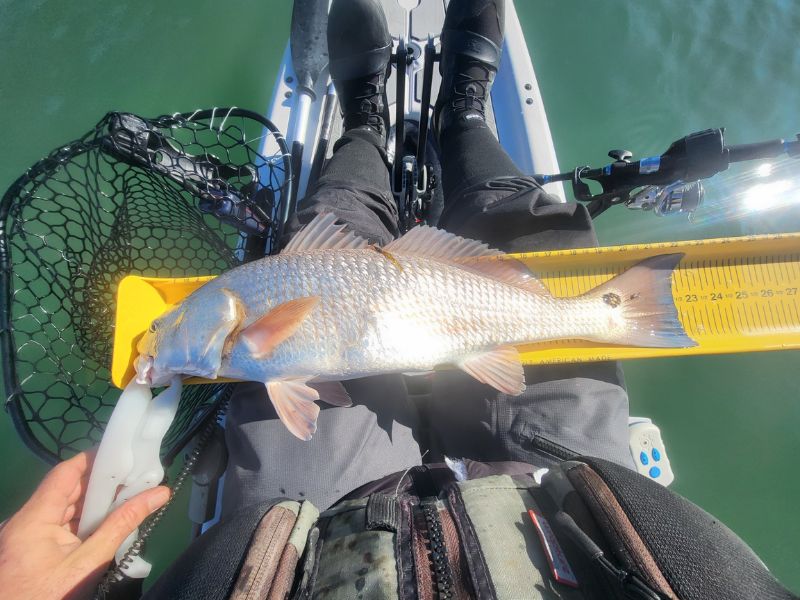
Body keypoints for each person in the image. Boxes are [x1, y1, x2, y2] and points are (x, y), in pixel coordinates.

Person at [0, 1, 796, 599]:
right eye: (174, 323)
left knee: (327, 218)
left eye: (175, 322)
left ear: (220, 320)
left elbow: (289, 378)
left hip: (298, 525)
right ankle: (464, 111)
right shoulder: (244, 327)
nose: (165, 331)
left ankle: (367, 120)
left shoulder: (246, 322)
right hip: (578, 503)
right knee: (520, 221)